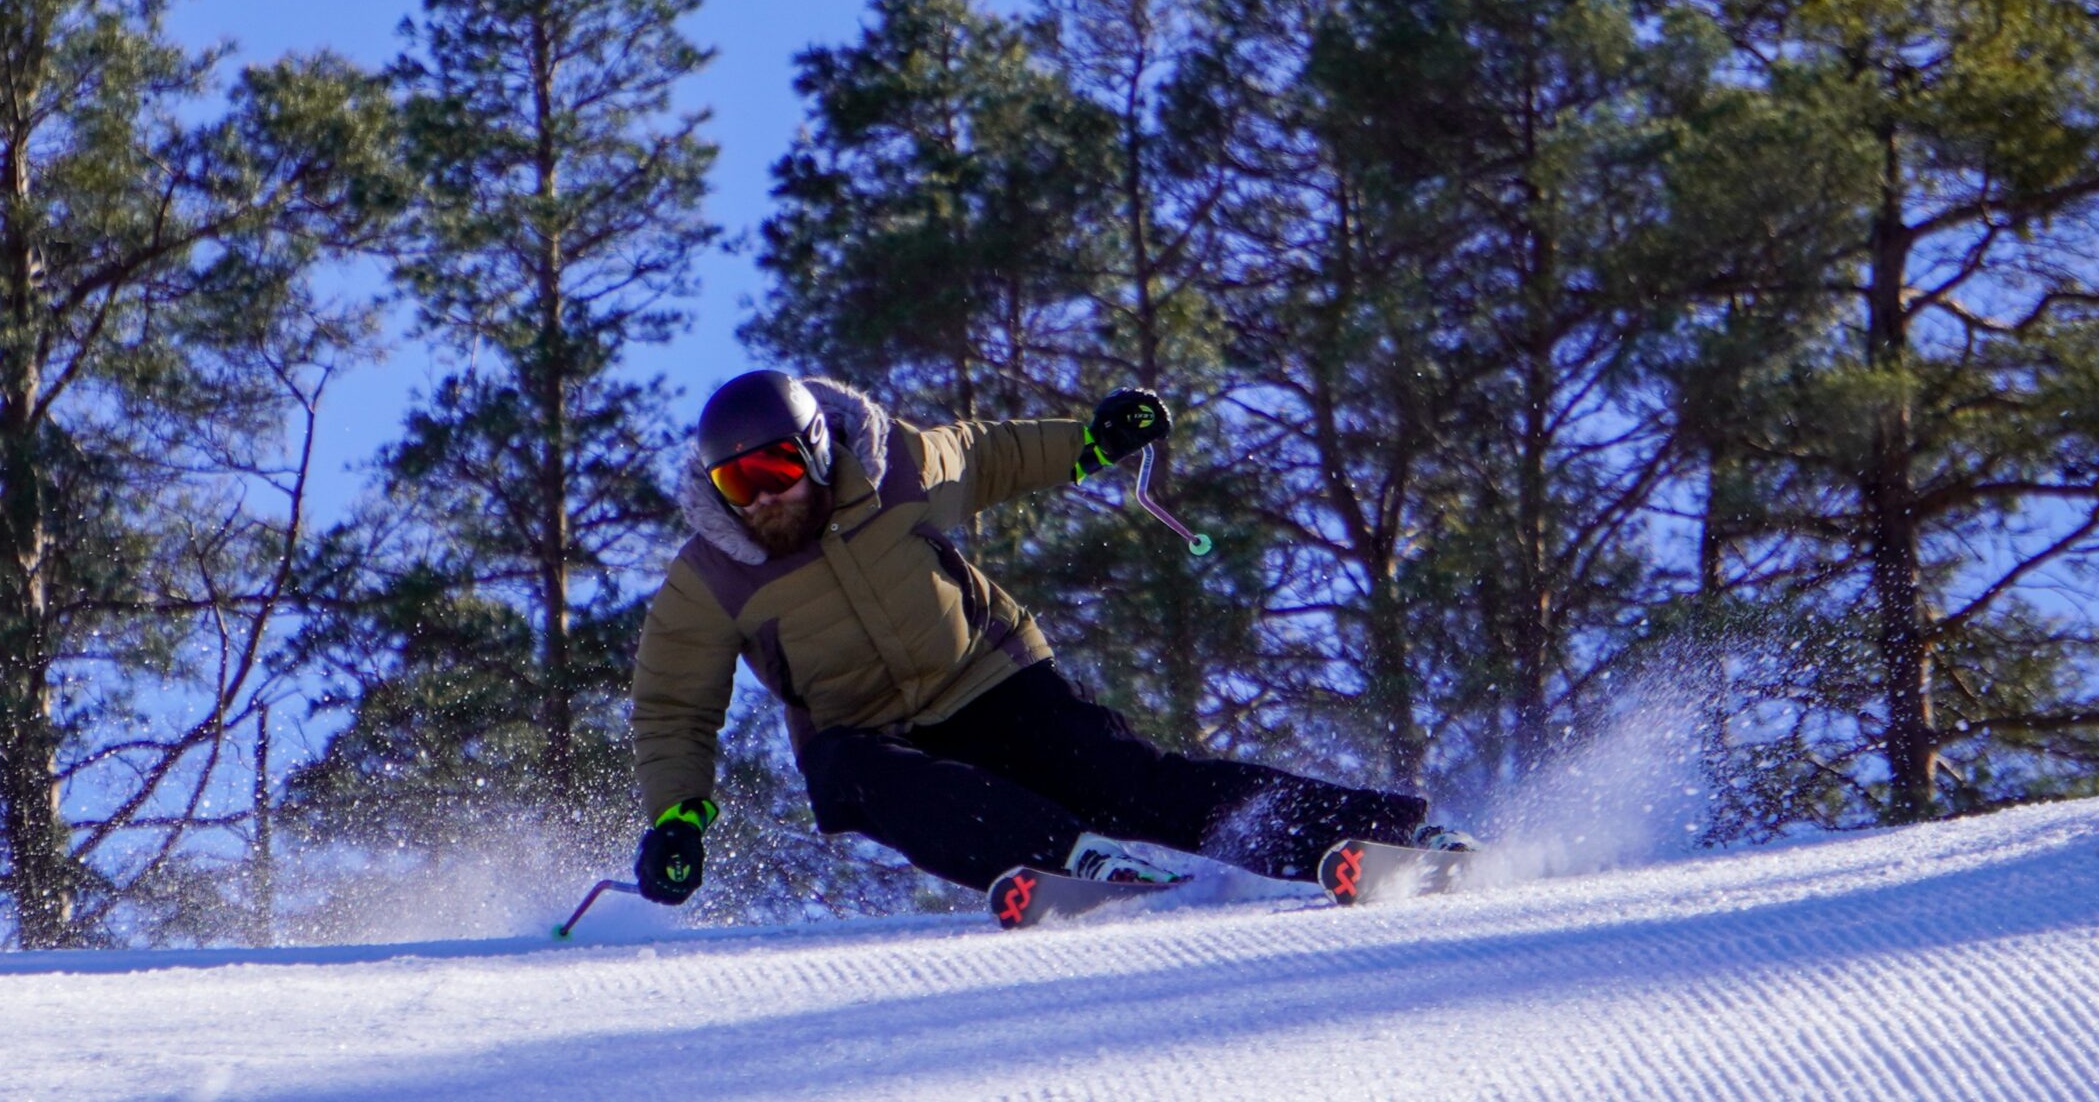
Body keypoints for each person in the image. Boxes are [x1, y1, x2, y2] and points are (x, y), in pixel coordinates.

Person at [627, 370, 1470, 907]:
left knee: (1133, 782)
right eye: (736, 483)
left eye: (771, 472)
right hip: (873, 736)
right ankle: (1063, 859)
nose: (759, 501)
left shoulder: (901, 470)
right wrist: (677, 817)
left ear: (814, 451)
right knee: (842, 775)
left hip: (991, 681)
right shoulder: (713, 576)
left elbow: (991, 457)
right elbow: (673, 707)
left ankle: (1381, 833)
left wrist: (1094, 441)